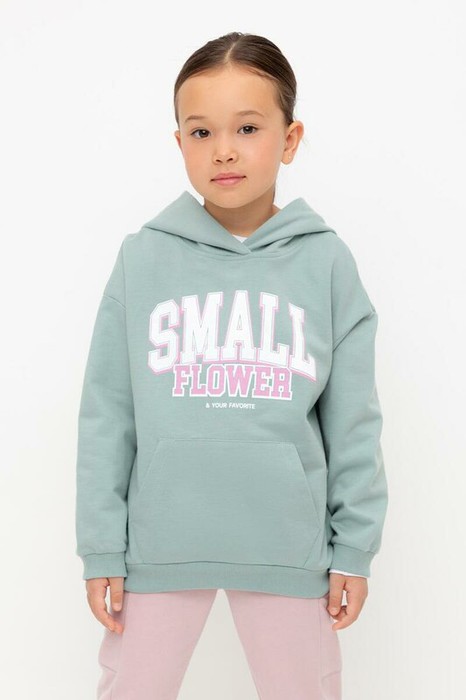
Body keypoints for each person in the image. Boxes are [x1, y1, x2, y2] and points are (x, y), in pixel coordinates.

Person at [75, 31, 388, 700]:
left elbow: (354, 422)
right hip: (158, 547)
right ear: (179, 143)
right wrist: (101, 546)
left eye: (247, 127)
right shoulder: (143, 259)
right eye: (201, 131)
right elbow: (107, 414)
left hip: (288, 546)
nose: (223, 149)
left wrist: (355, 548)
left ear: (290, 138)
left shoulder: (327, 263)